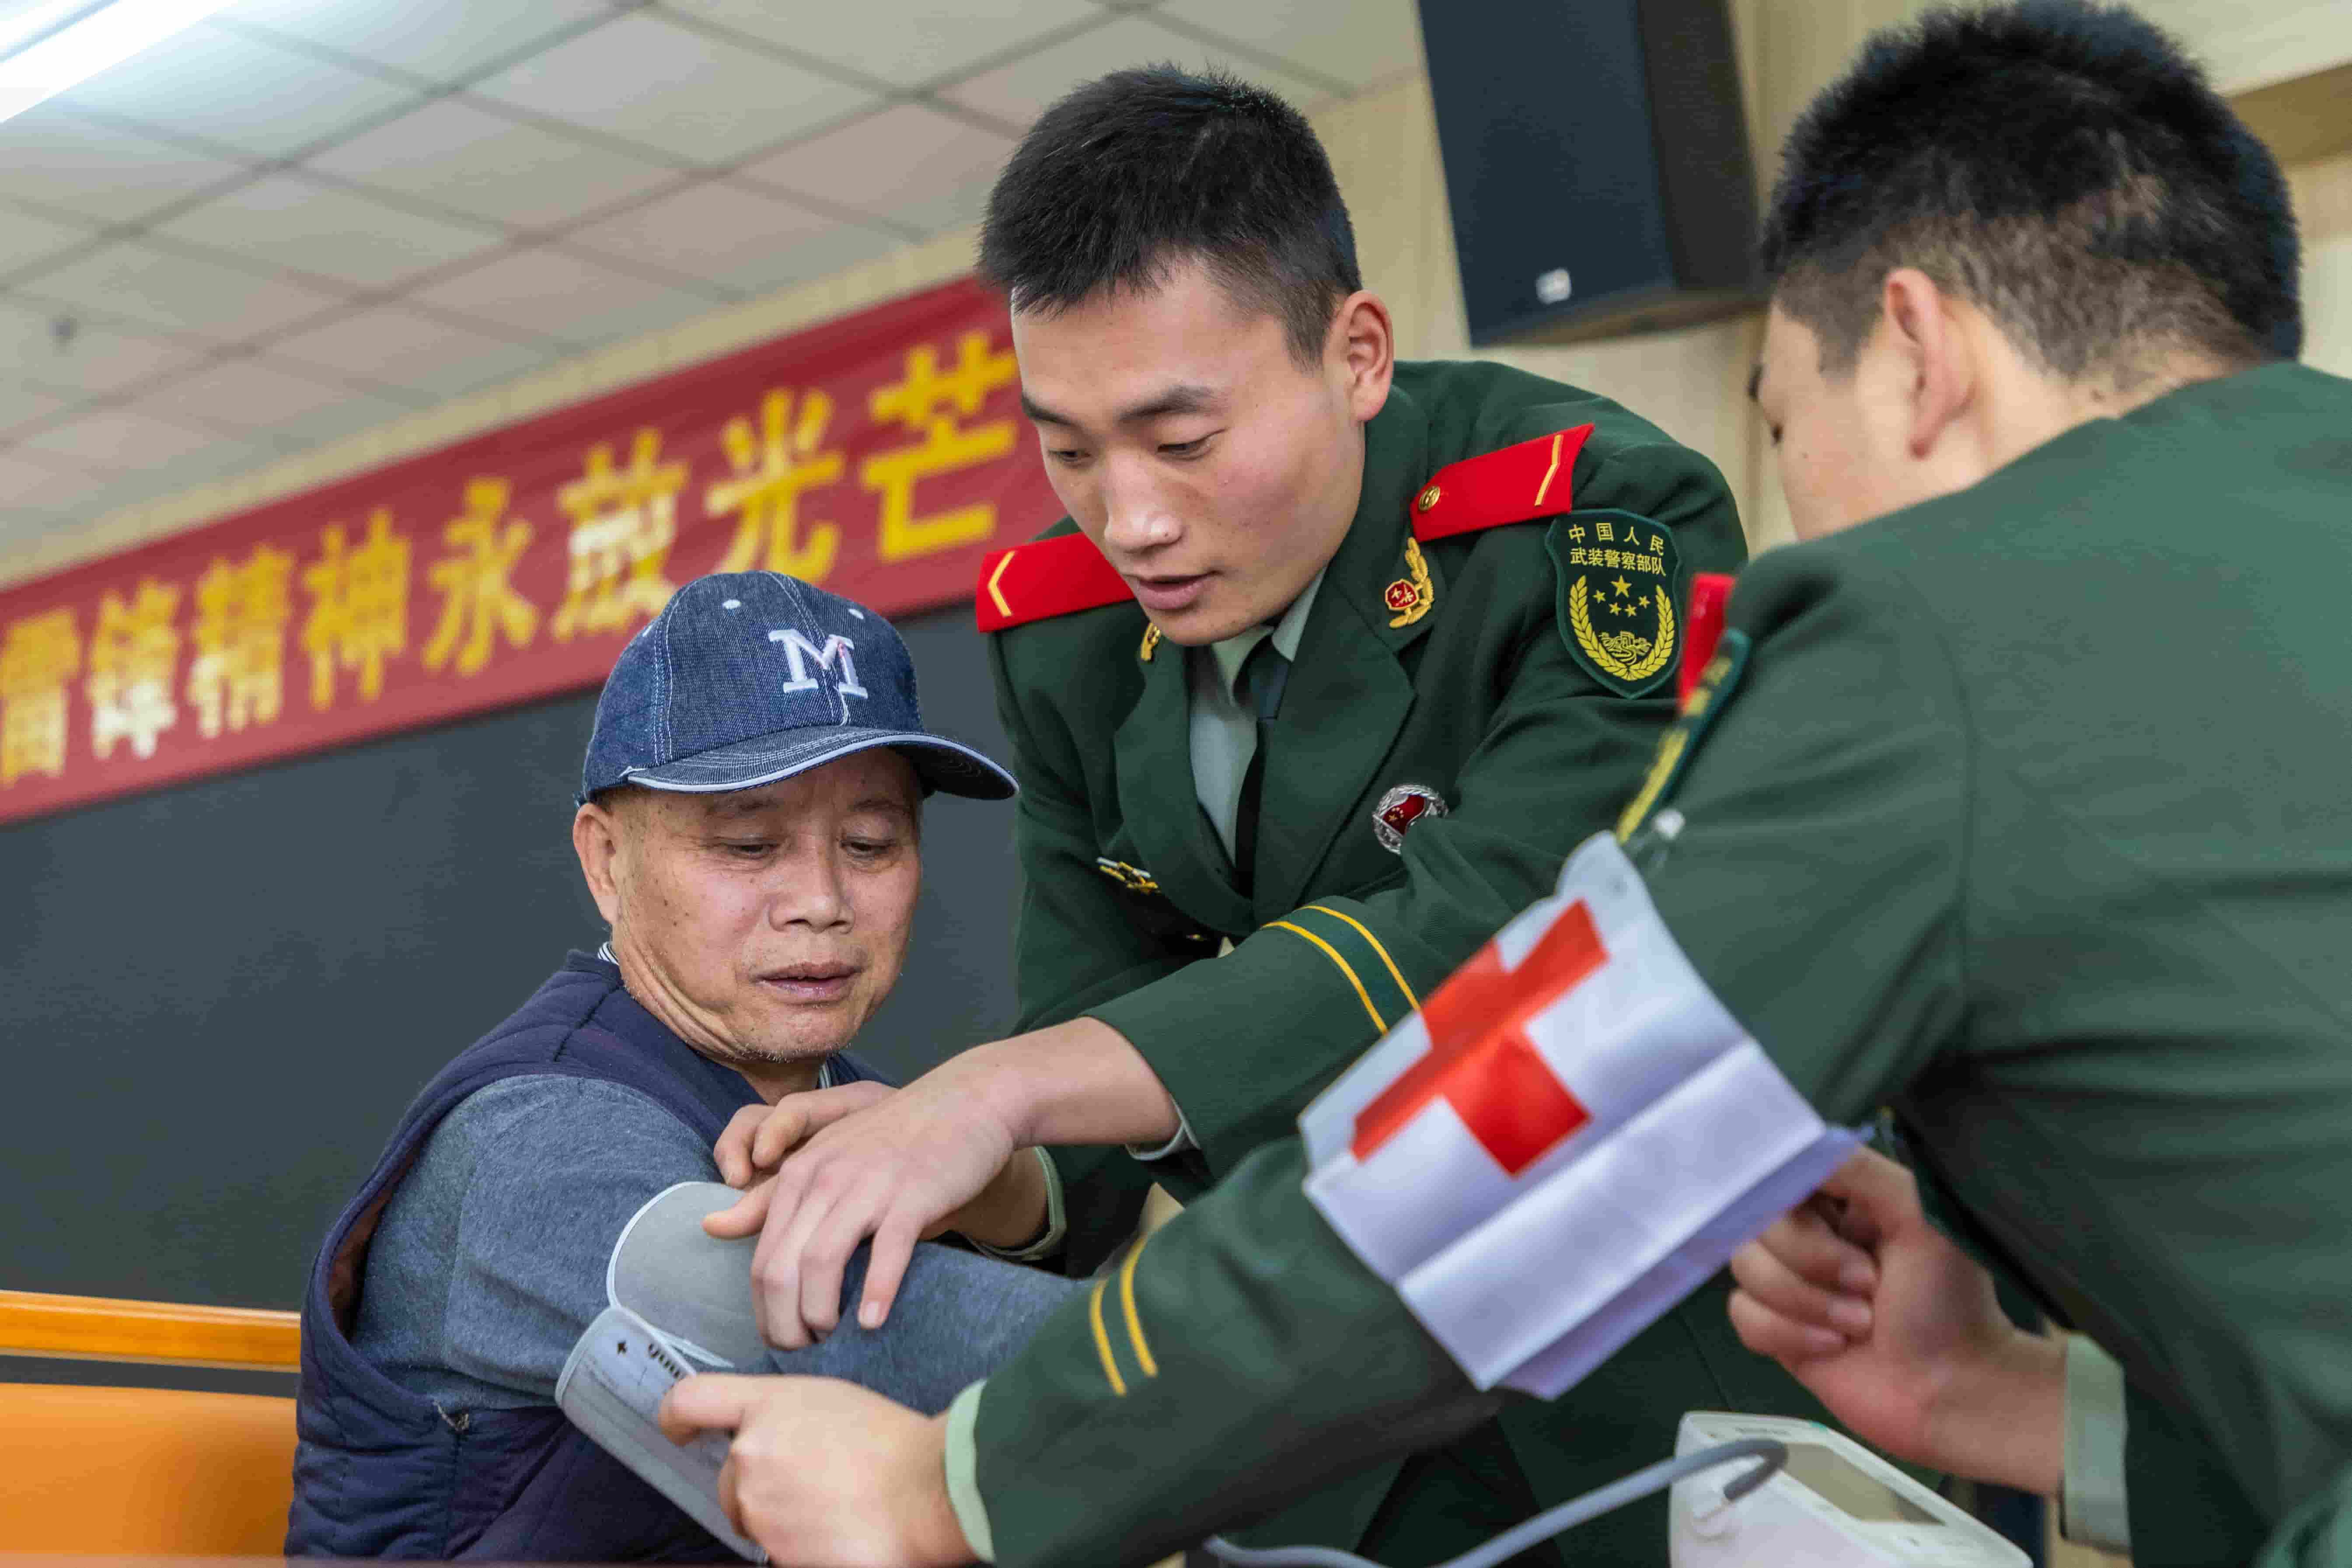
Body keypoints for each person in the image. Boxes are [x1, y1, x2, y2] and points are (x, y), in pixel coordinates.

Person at [659, 6, 2352, 1567]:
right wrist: (2012, 1401)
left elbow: (1522, 1123)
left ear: (1912, 348)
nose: (1132, 514)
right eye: (1073, 448)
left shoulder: (1911, 621)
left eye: (1780, 411)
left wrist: (945, 1482)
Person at [699, 60, 1846, 1568]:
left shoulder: (1585, 515)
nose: (1128, 521)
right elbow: (1107, 1042)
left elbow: (1511, 938)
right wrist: (998, 1175)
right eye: (1065, 447)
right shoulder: (1059, 632)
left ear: (1354, 352)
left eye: (1179, 440)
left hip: (1659, 1381)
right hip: (1319, 1430)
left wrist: (1003, 1086)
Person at [284, 572, 1087, 1561]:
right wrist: (1292, 1334)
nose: (821, 899)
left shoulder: (851, 1104)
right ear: (606, 860)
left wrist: (1003, 1188)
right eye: (749, 843)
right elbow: (861, 1335)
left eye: (871, 842)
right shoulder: (537, 1134)